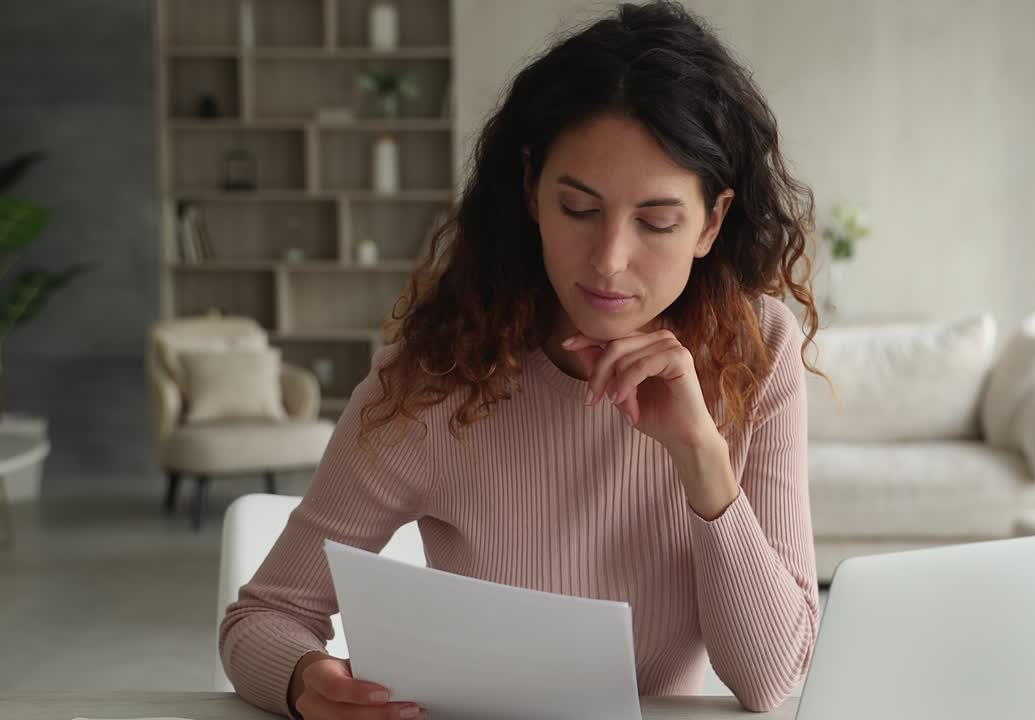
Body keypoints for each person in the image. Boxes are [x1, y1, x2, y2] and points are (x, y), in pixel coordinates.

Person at [219, 2, 823, 718]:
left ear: (711, 222)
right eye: (578, 208)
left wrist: (701, 455)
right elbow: (262, 618)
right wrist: (304, 679)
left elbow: (770, 678)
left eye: (657, 222)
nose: (609, 261)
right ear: (532, 188)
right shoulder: (437, 376)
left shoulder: (758, 349)